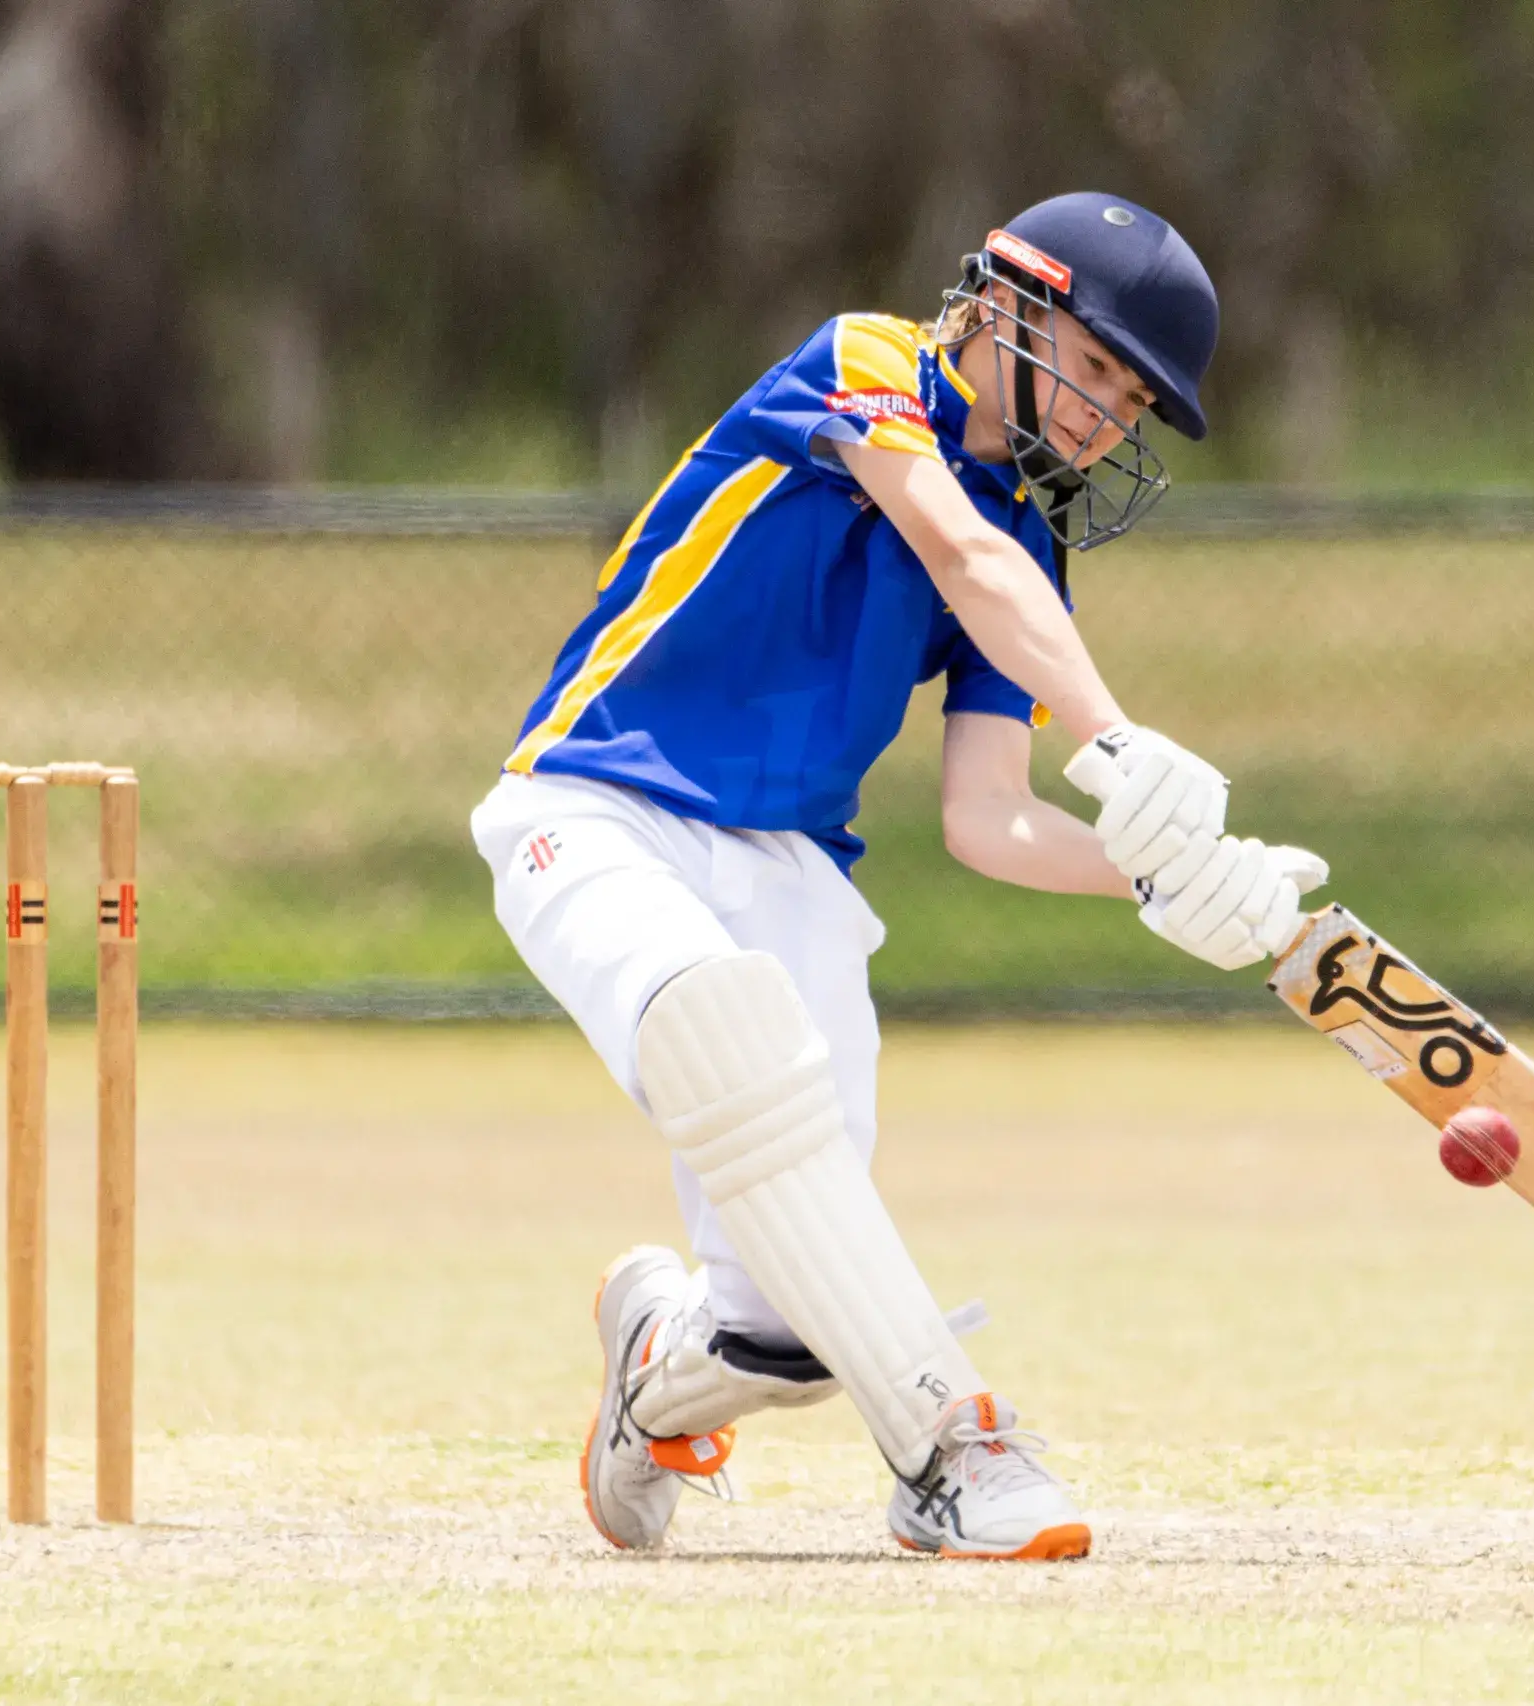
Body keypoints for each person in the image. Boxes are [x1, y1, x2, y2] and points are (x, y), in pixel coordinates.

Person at [469, 192, 1327, 1562]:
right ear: (1003, 302)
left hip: (792, 867)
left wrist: (1172, 880)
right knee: (719, 1028)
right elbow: (956, 548)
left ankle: (655, 1366)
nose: (1106, 417)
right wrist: (1114, 734)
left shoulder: (1031, 554)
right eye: (1096, 368)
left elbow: (989, 818)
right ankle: (950, 1451)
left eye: (1133, 401)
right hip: (592, 804)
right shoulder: (865, 361)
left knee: (789, 1319)